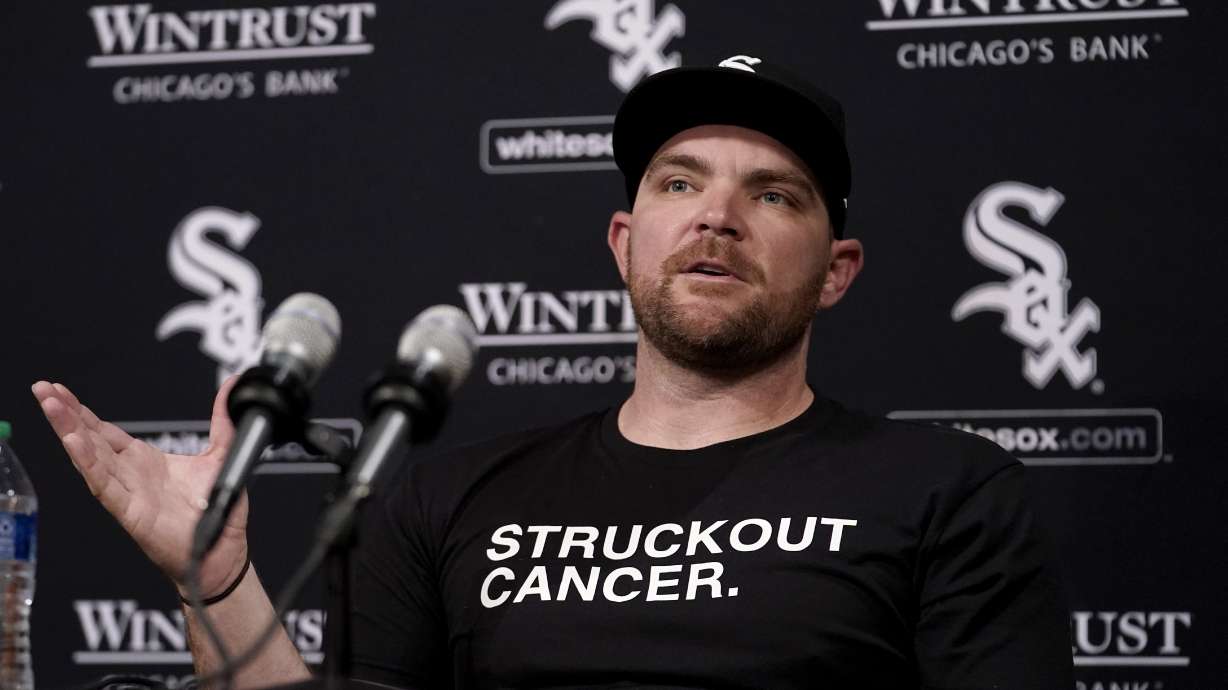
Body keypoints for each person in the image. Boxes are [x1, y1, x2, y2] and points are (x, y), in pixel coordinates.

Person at [34, 56, 1075, 689]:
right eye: (680, 183)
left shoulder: (947, 492)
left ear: (836, 270)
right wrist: (214, 577)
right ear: (625, 241)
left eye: (773, 195)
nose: (716, 217)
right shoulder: (450, 496)